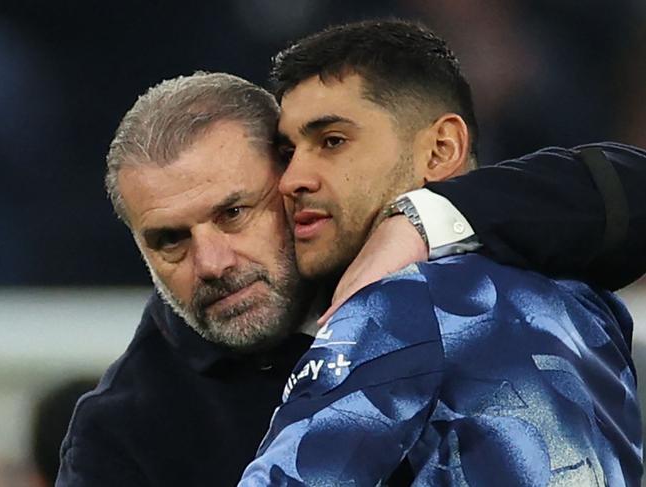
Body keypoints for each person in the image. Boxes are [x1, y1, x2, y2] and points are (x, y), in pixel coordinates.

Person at [58, 68, 646, 487]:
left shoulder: (445, 267)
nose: (212, 262)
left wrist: (420, 221)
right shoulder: (122, 432)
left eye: (234, 213)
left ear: (293, 180)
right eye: (170, 240)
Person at [238, 19, 643, 485]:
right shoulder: (587, 302)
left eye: (332, 142)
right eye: (288, 153)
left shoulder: (396, 303)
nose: (292, 180)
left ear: (440, 150)